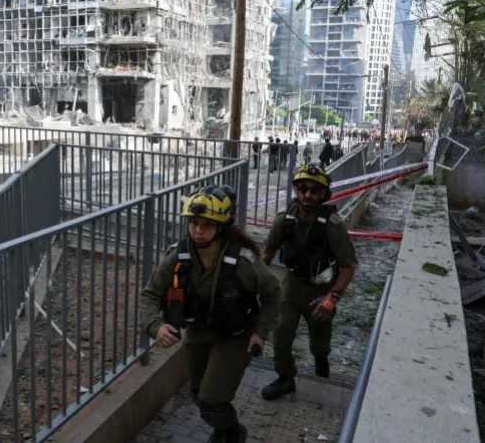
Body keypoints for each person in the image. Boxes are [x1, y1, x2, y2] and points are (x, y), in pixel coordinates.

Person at [140, 185, 281, 443]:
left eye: (207, 224)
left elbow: (274, 293)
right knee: (197, 392)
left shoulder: (243, 261)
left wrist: (260, 333)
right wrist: (156, 326)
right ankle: (225, 429)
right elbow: (150, 294)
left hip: (236, 335)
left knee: (211, 397)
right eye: (194, 223)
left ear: (222, 226)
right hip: (199, 331)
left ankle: (233, 432)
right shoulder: (179, 255)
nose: (198, 230)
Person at [260, 164, 357, 400]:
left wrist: (332, 298)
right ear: (296, 190)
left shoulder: (333, 225)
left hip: (321, 290)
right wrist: (255, 286)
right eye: (303, 189)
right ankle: (285, 378)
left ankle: (321, 361)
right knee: (280, 337)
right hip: (292, 286)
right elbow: (267, 254)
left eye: (315, 190)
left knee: (320, 339)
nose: (308, 195)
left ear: (323, 194)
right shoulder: (284, 220)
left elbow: (348, 265)